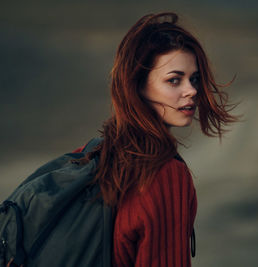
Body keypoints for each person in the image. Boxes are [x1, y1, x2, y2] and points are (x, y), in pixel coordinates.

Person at [76, 12, 238, 267]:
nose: (192, 91)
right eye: (174, 80)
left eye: (194, 79)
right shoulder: (165, 175)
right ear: (137, 86)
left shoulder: (93, 155)